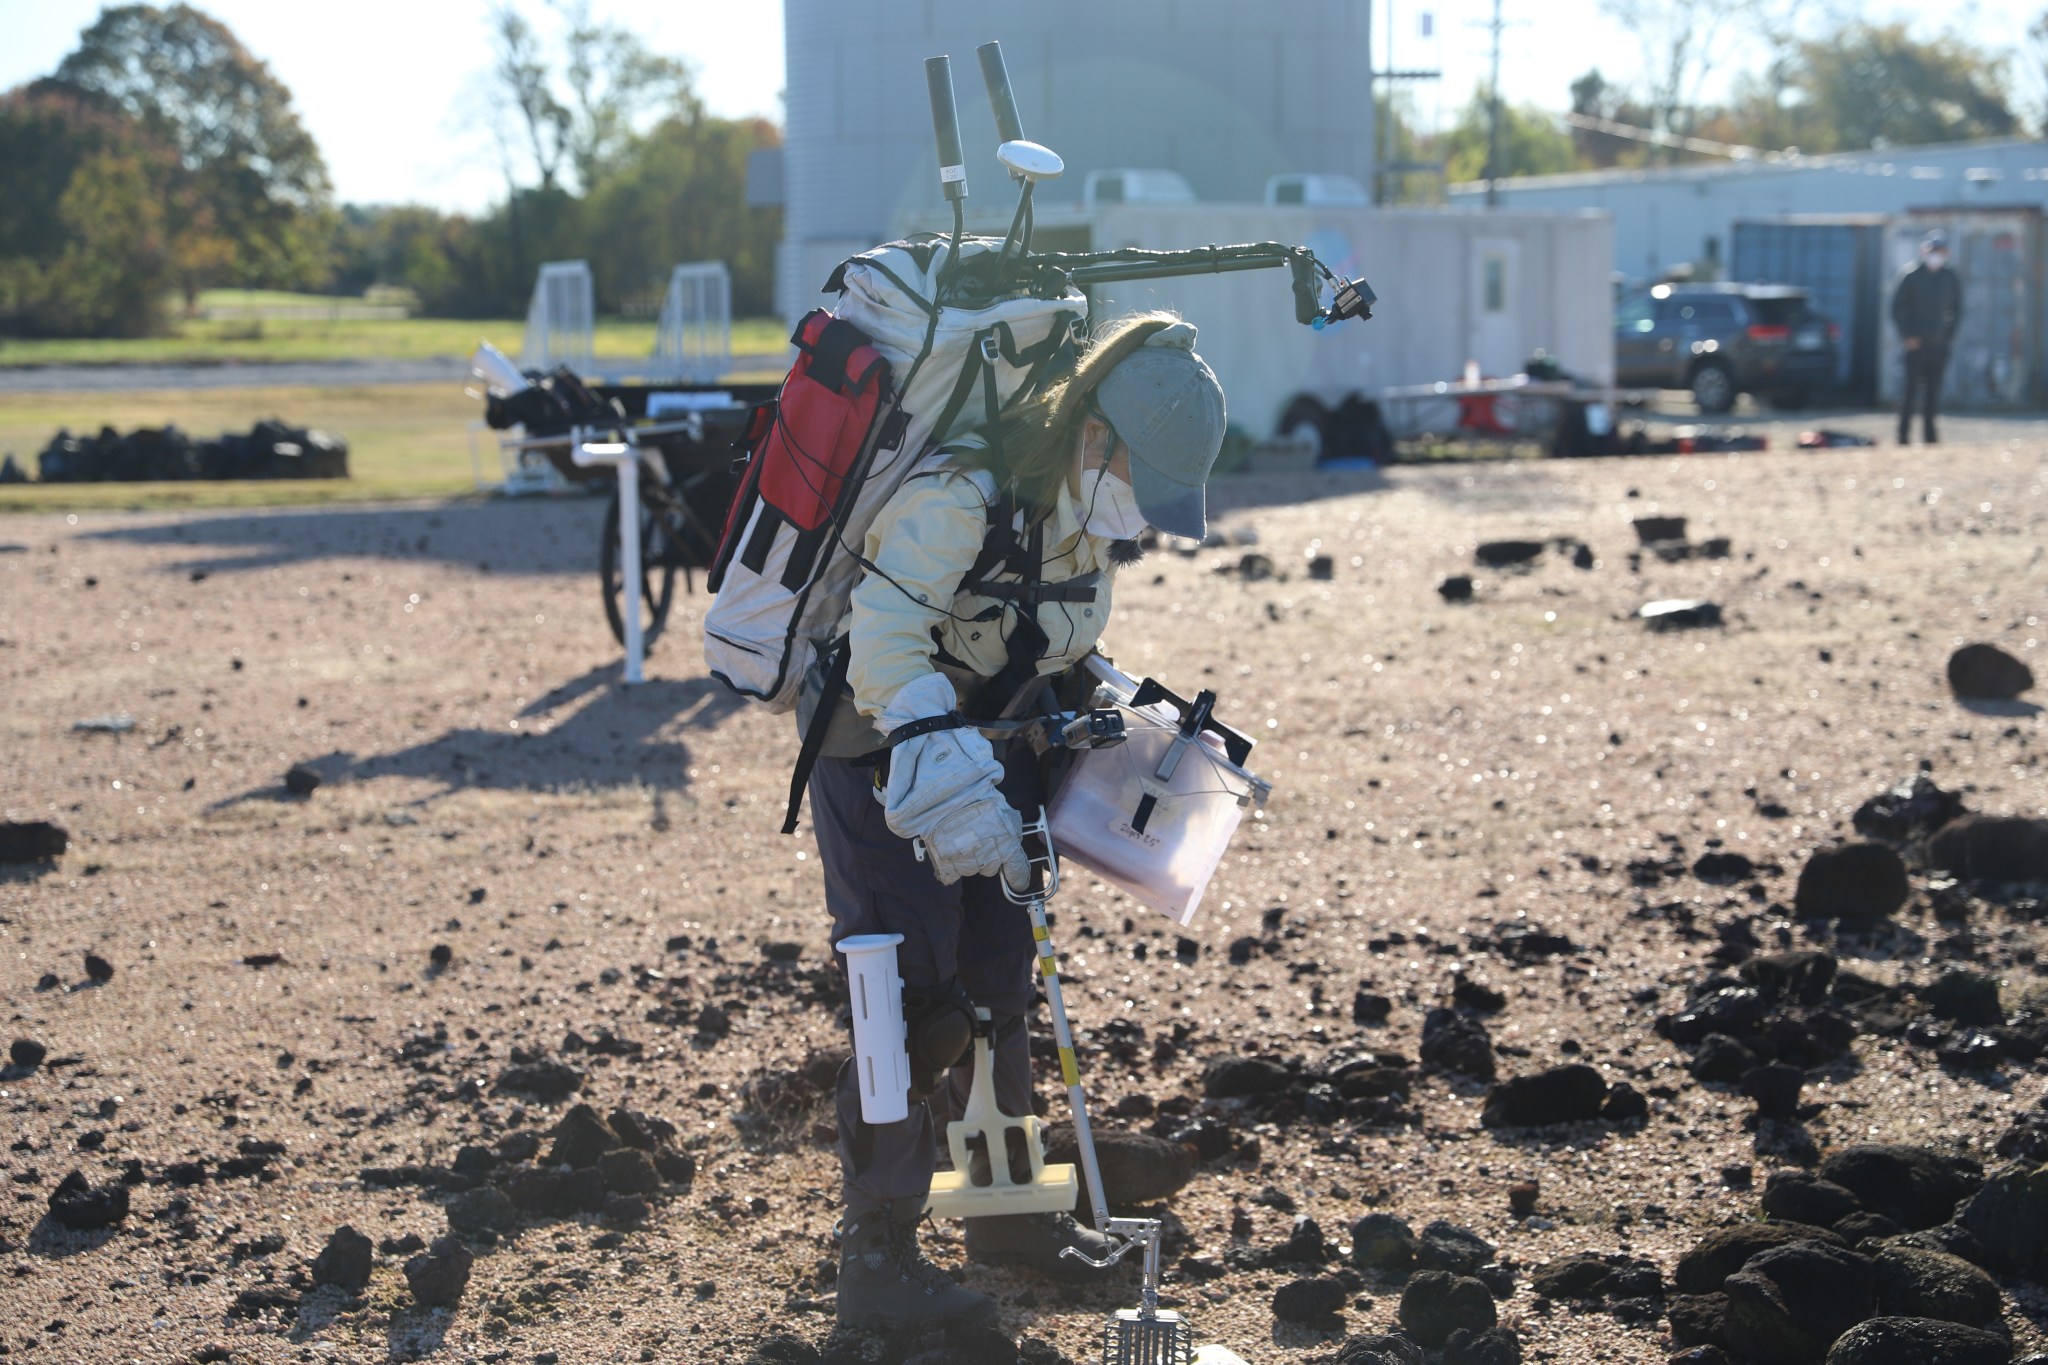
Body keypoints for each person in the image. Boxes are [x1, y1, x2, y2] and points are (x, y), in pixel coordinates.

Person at [803, 312, 1226, 1329]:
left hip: (1005, 768)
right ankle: (877, 1258)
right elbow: (885, 638)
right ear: (1091, 435)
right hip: (885, 771)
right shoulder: (958, 497)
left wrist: (1130, 730)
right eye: (1137, 477)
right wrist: (930, 751)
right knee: (909, 1000)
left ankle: (1005, 1212)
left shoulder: (1087, 518)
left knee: (996, 989)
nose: (1140, 516)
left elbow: (1047, 643)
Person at [1891, 230, 1963, 445]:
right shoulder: (1911, 275)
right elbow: (1897, 309)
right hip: (1915, 344)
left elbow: (1957, 310)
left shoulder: (1949, 277)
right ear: (1924, 251)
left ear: (1946, 252)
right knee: (1910, 391)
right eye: (1932, 250)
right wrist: (1908, 335)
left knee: (1933, 391)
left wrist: (1948, 336)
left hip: (1939, 344)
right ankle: (1903, 436)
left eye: (1939, 251)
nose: (1935, 255)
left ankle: (1930, 436)